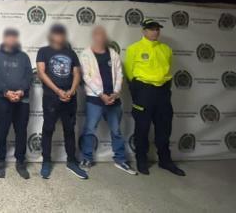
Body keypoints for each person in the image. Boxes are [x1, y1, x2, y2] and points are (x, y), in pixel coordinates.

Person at [124, 19, 186, 176]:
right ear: (144, 31)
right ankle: (141, 160)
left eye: (157, 29)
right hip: (144, 90)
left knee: (164, 128)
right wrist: (138, 91)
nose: (155, 31)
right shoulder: (134, 48)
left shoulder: (166, 49)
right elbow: (129, 72)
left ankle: (165, 161)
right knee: (142, 128)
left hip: (162, 92)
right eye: (151, 29)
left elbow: (168, 68)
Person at [79, 26, 136, 175]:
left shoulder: (113, 54)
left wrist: (116, 92)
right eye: (97, 35)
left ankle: (120, 159)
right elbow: (86, 77)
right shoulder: (86, 54)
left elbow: (119, 74)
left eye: (103, 35)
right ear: (93, 37)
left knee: (116, 131)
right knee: (90, 130)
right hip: (94, 99)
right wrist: (101, 94)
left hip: (113, 99)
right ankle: (86, 158)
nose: (100, 37)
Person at [36, 24, 87, 180]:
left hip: (70, 97)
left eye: (62, 34)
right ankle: (46, 161)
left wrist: (72, 90)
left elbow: (77, 73)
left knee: (69, 130)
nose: (60, 37)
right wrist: (58, 91)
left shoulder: (71, 53)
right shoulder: (43, 51)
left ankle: (71, 161)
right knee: (48, 129)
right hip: (51, 97)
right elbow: (41, 73)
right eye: (57, 34)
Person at [0, 28, 32, 179]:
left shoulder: (24, 57)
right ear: (4, 39)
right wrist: (6, 92)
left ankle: (20, 161)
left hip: (22, 100)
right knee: (2, 131)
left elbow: (29, 76)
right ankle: (1, 161)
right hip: (2, 99)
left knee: (21, 131)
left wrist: (21, 91)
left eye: (14, 37)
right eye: (9, 37)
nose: (11, 40)